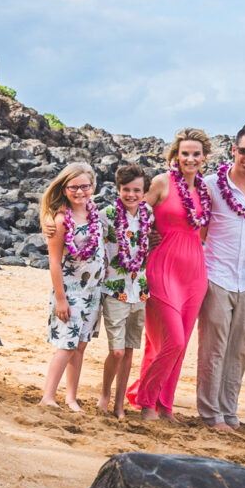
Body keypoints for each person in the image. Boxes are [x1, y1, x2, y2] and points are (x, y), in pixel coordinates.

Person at [130, 128, 213, 421]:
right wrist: (146, 236)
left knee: (181, 344)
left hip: (195, 272)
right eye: (185, 154)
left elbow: (203, 231)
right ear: (176, 156)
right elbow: (135, 211)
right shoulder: (162, 183)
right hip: (162, 266)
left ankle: (165, 406)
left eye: (195, 154)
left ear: (204, 157)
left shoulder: (204, 190)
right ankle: (146, 402)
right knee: (172, 341)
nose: (190, 159)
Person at [196, 122, 245, 431]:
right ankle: (210, 413)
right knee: (213, 348)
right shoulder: (212, 184)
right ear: (234, 150)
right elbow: (199, 228)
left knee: (239, 350)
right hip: (216, 275)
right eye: (243, 151)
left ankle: (230, 411)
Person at [39, 162, 107, 411]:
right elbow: (54, 262)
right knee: (65, 345)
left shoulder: (94, 215)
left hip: (92, 292)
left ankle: (71, 398)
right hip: (69, 292)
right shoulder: (60, 220)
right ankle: (48, 396)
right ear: (64, 189)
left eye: (85, 186)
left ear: (93, 186)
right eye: (74, 187)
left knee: (79, 347)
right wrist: (61, 299)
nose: (80, 192)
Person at [97, 164, 152, 419]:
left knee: (129, 349)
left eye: (137, 190)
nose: (131, 195)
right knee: (116, 350)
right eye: (126, 189)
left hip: (139, 290)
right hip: (115, 289)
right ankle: (105, 394)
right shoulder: (106, 214)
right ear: (118, 189)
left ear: (144, 191)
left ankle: (120, 404)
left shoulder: (148, 214)